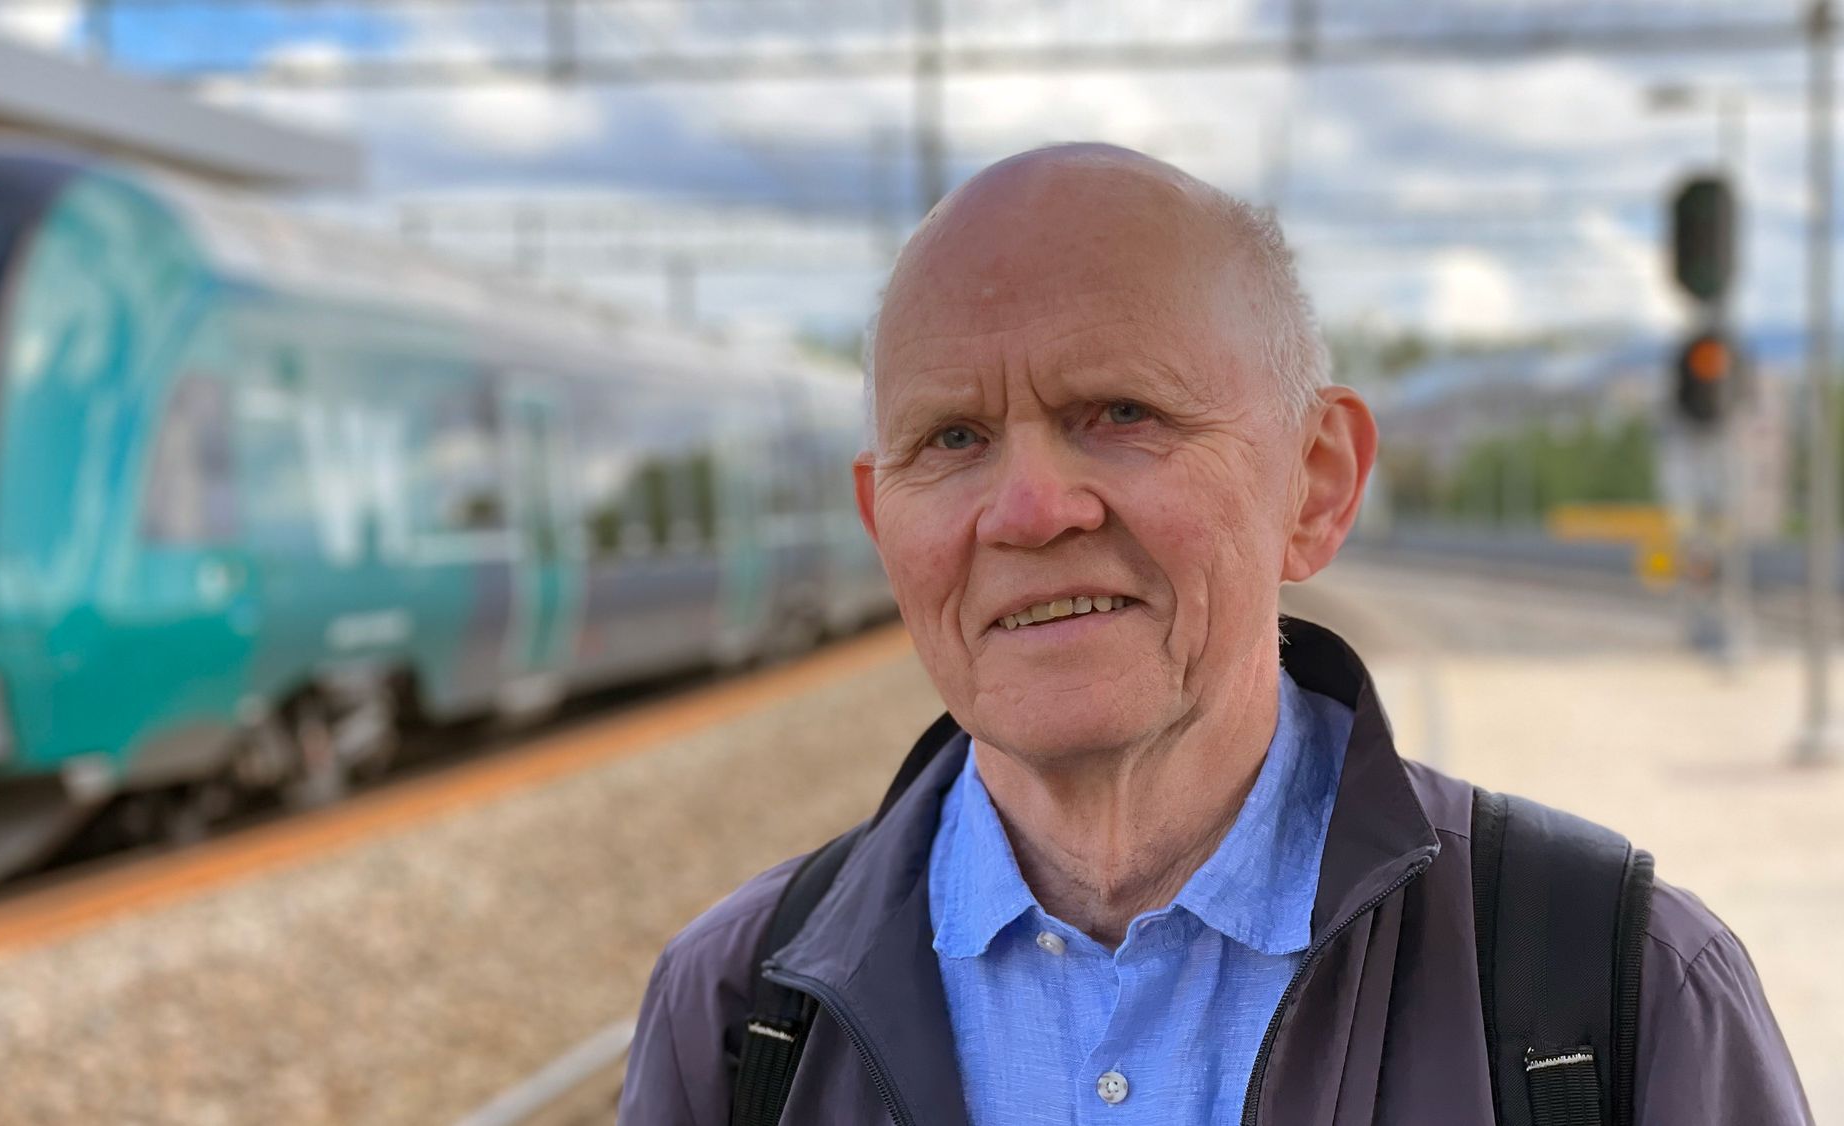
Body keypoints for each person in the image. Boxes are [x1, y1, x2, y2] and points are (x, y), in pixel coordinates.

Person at [616, 143, 1812, 1124]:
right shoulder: (730, 1020)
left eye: (1119, 413)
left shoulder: (1620, 990)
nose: (1030, 510)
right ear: (885, 528)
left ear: (1316, 484)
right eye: (952, 440)